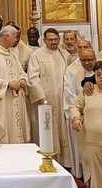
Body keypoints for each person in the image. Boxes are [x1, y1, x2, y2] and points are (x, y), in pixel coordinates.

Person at [27, 28, 70, 166]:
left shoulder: (65, 54)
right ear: (44, 40)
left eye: (56, 39)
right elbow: (33, 78)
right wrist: (42, 99)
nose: (53, 42)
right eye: (50, 39)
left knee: (62, 131)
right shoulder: (37, 55)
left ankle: (64, 163)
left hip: (62, 99)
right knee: (47, 131)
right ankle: (47, 161)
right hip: (45, 103)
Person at [64, 48, 98, 179]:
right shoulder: (77, 74)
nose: (87, 63)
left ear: (95, 59)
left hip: (99, 119)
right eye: (83, 60)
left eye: (90, 60)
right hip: (83, 118)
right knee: (85, 153)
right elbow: (72, 95)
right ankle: (89, 185)